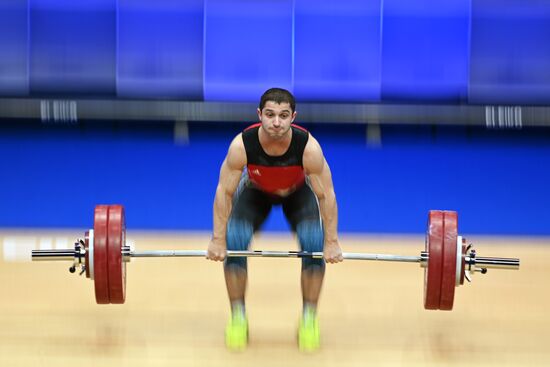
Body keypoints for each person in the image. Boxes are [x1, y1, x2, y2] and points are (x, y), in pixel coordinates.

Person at [206, 87, 343, 352]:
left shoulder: (309, 148)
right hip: (256, 192)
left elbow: (326, 196)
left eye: (283, 115)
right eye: (270, 115)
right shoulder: (242, 145)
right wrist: (217, 239)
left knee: (314, 242)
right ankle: (238, 317)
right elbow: (225, 191)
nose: (276, 122)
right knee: (234, 239)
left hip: (297, 193)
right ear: (260, 114)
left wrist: (332, 241)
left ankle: (309, 319)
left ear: (293, 116)